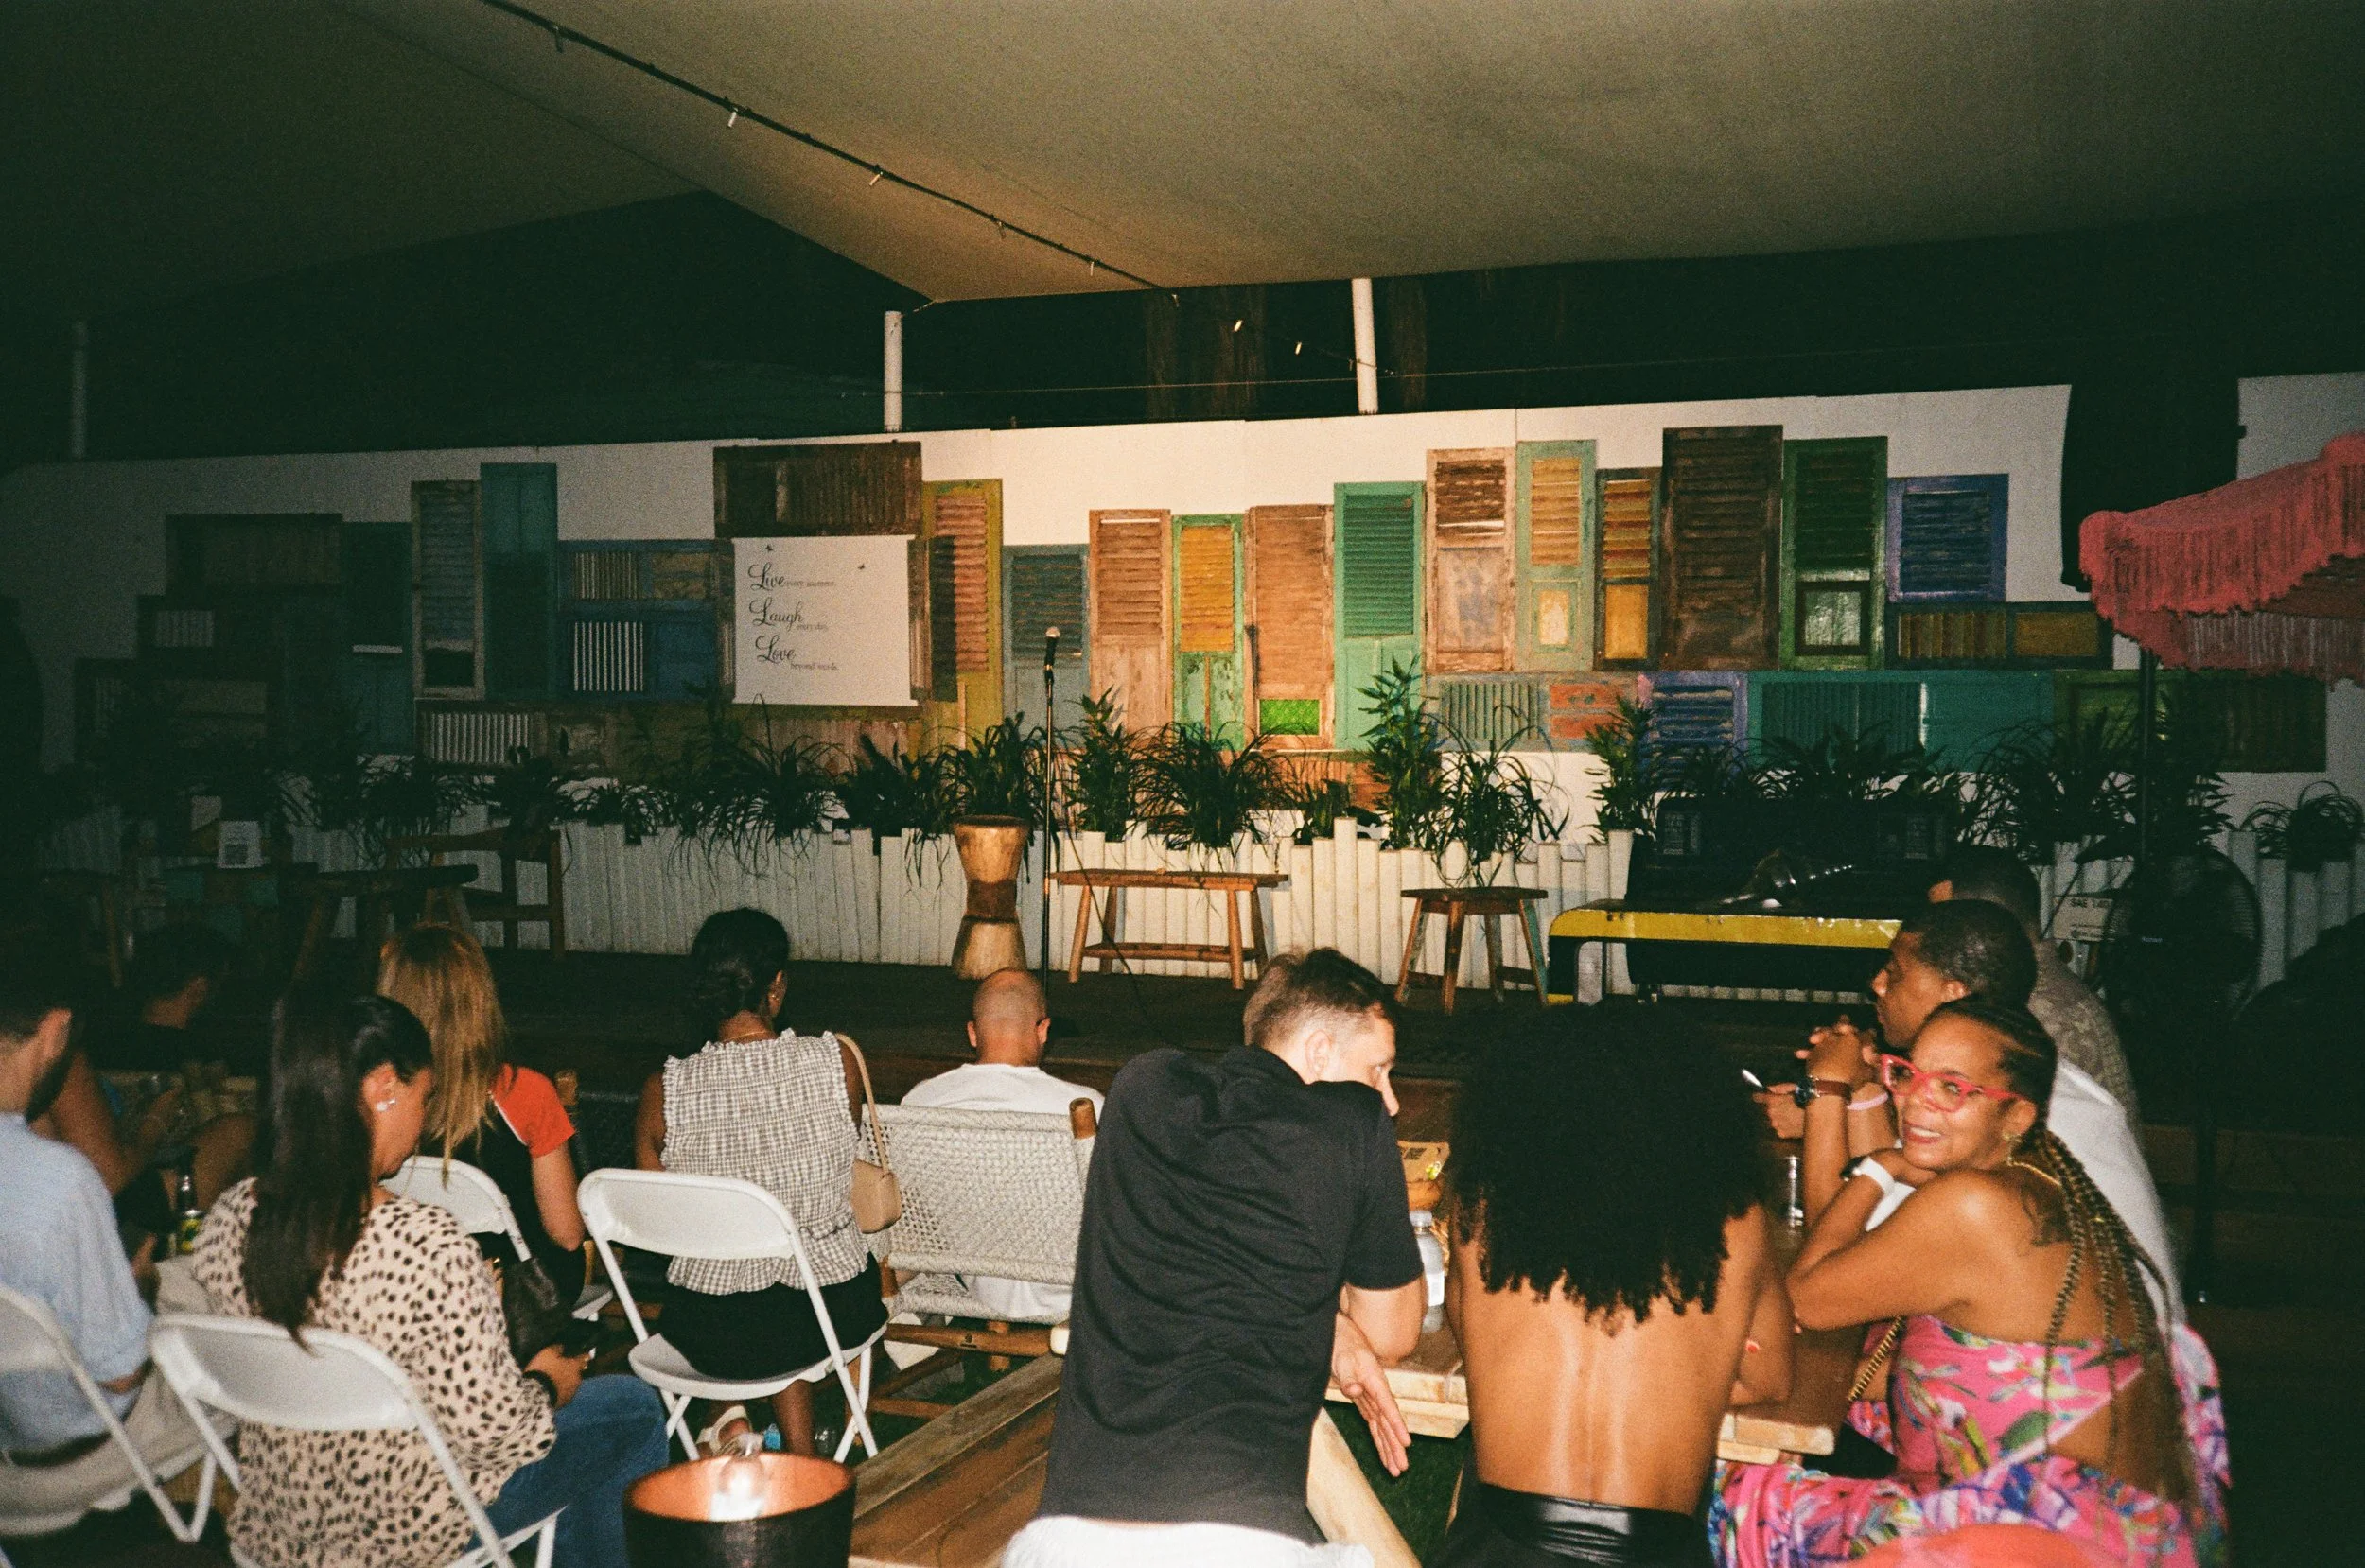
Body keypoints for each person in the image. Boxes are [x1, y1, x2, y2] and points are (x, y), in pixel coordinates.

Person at [1713, 999, 2228, 1568]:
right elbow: (1961, 1370)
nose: (1915, 1100)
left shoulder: (1975, 1205)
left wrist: (1878, 1169)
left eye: (1954, 1088)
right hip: (2102, 1526)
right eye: (1908, 1075)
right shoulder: (2037, 1183)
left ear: (2017, 1118)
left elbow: (1806, 1297)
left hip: (2034, 1541)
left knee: (1725, 1490)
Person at [193, 994, 666, 1568]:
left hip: (284, 1520)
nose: (421, 1125)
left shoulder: (230, 1218)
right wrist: (546, 1381)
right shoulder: (425, 1244)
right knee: (631, 1406)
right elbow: (504, 1434)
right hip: (413, 1523)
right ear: (384, 1086)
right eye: (423, 1096)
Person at [1011, 949, 1426, 1568]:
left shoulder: (1141, 1090)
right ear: (1319, 1053)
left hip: (1064, 1544)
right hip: (1240, 1546)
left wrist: (1328, 1322)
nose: (1388, 1100)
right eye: (1379, 1070)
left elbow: (1204, 1236)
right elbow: (1392, 1333)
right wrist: (1336, 1314)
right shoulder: (1352, 1120)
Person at [1439, 1006, 1793, 1568]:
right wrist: (1674, 1386)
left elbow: (1474, 1342)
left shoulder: (1483, 1211)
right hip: (1656, 1552)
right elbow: (1768, 1375)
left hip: (1504, 1549)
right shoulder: (1735, 1220)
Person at [1786, 902, 2181, 1319]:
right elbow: (1886, 1228)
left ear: (1954, 994)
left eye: (1895, 973)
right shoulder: (2022, 1073)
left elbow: (1841, 1267)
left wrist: (1827, 1091)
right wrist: (1865, 1087)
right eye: (1905, 1077)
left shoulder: (2002, 1105)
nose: (1877, 984)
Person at [631, 908, 886, 1457]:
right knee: (799, 1274)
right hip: (825, 1314)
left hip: (708, 1331)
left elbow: (660, 1221)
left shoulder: (664, 1091)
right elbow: (843, 1159)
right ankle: (806, 1445)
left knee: (755, 1285)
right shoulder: (834, 1061)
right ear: (776, 988)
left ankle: (728, 1424)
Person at [0, 942, 200, 1492]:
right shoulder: (62, 1180)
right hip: (69, 1452)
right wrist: (140, 1289)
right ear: (56, 1028)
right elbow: (119, 1373)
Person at [377, 923, 587, 1294]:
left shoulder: (379, 1100)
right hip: (517, 1295)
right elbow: (567, 1235)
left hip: (411, 1282)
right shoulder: (525, 1091)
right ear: (480, 1000)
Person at [901, 967, 1105, 1322]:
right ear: (1043, 1031)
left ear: (972, 1033)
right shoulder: (1085, 1108)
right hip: (1071, 1291)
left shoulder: (921, 1101)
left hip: (983, 1286)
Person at [1929, 845, 2140, 1124]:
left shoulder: (2036, 1010)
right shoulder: (2036, 986)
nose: (1931, 936)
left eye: (1944, 923)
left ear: (1992, 924)